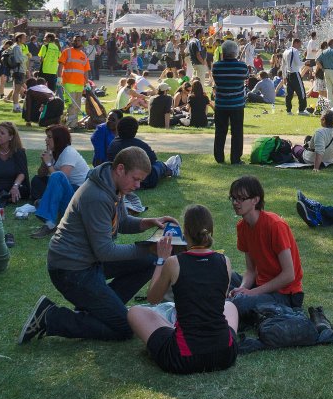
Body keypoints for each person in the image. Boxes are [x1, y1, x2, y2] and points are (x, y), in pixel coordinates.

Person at [17, 147, 178, 344]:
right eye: (136, 179)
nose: (137, 185)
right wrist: (150, 247)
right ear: (120, 169)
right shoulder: (97, 195)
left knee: (149, 261)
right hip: (70, 270)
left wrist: (150, 222)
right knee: (125, 328)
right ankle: (51, 317)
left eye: (140, 181)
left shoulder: (113, 186)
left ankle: (99, 307)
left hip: (89, 264)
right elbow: (105, 251)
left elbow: (123, 223)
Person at [126, 204, 239, 374]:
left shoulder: (174, 262)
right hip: (225, 354)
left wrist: (161, 260)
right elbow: (219, 300)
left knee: (134, 312)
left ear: (185, 231)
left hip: (184, 358)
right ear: (210, 231)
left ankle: (175, 328)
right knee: (230, 306)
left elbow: (153, 299)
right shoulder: (225, 261)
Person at [227, 175, 303, 315]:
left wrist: (250, 293)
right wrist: (242, 289)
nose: (236, 203)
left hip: (285, 294)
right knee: (223, 275)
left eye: (241, 198)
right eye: (233, 198)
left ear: (255, 200)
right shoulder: (242, 227)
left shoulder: (275, 225)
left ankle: (229, 307)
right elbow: (251, 270)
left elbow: (289, 275)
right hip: (261, 284)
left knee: (239, 303)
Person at [30, 125, 92, 238]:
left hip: (80, 197)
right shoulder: (53, 153)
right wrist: (45, 162)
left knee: (57, 176)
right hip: (69, 195)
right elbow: (41, 174)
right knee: (38, 185)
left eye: (49, 137)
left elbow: (63, 177)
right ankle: (53, 218)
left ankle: (50, 223)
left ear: (58, 139)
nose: (46, 140)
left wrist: (49, 163)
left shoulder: (69, 152)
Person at [104, 116, 179, 189]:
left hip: (119, 179)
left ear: (118, 128)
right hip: (145, 181)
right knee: (158, 164)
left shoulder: (113, 144)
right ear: (135, 131)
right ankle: (170, 169)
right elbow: (153, 159)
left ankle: (168, 168)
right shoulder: (140, 145)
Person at [211, 40, 250, 165]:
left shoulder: (216, 66)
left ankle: (219, 157)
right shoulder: (242, 67)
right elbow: (246, 78)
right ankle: (235, 158)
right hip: (236, 104)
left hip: (221, 103)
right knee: (237, 132)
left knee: (220, 131)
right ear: (235, 53)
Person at [58, 35, 90, 128]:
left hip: (79, 84)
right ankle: (70, 125)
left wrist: (87, 83)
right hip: (68, 82)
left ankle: (73, 124)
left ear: (81, 42)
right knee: (71, 105)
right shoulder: (67, 52)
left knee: (77, 105)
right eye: (75, 40)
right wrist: (59, 77)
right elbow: (60, 65)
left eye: (78, 40)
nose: (76, 42)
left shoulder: (83, 55)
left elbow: (86, 70)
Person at [281, 37, 307, 114]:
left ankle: (288, 110)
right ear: (296, 43)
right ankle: (301, 110)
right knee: (301, 92)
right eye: (299, 44)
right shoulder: (294, 51)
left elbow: (283, 66)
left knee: (289, 93)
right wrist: (305, 63)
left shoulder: (285, 51)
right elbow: (298, 63)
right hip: (295, 73)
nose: (300, 46)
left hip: (288, 74)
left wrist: (284, 76)